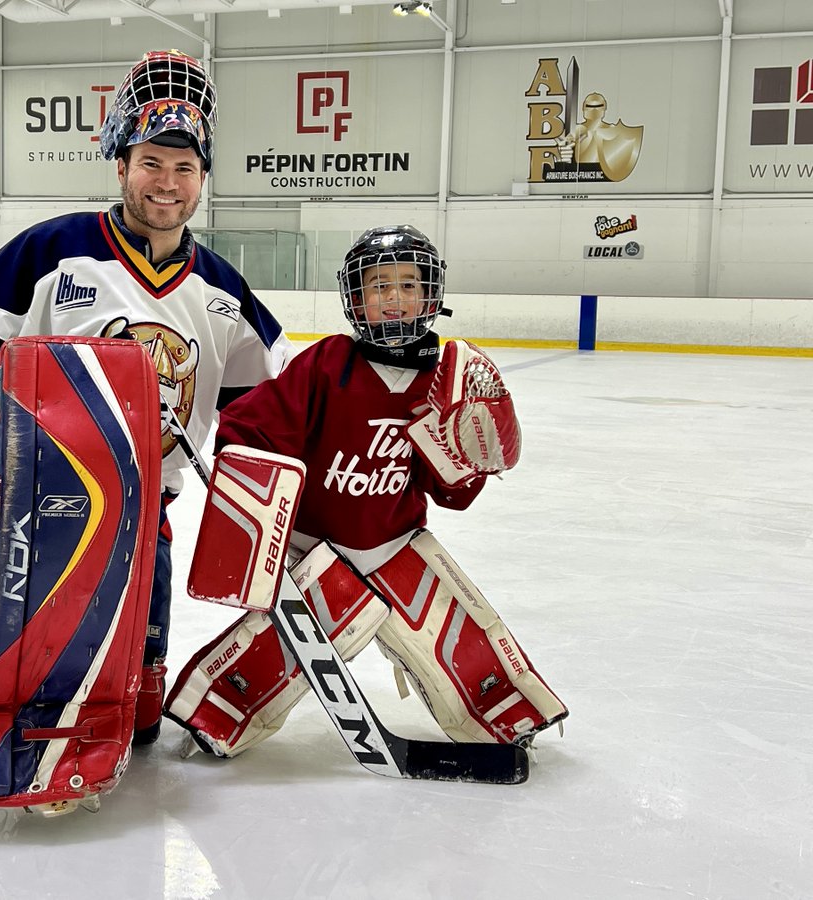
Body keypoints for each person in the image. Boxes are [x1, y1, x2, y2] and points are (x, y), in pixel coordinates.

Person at [0, 50, 294, 750]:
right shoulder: (55, 251)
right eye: (151, 164)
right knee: (50, 661)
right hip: (37, 489)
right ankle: (7, 626)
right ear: (121, 167)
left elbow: (275, 400)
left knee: (136, 719)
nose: (166, 184)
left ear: (202, 180)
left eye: (184, 169)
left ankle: (78, 671)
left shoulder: (222, 292)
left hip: (144, 513)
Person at [166, 225, 568, 758]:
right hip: (313, 548)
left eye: (407, 285)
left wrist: (471, 464)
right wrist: (259, 510)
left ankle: (506, 714)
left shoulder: (444, 380)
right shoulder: (327, 362)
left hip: (394, 544)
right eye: (378, 287)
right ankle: (212, 712)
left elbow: (445, 490)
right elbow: (252, 428)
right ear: (356, 299)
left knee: (462, 641)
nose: (393, 299)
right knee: (278, 647)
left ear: (430, 295)